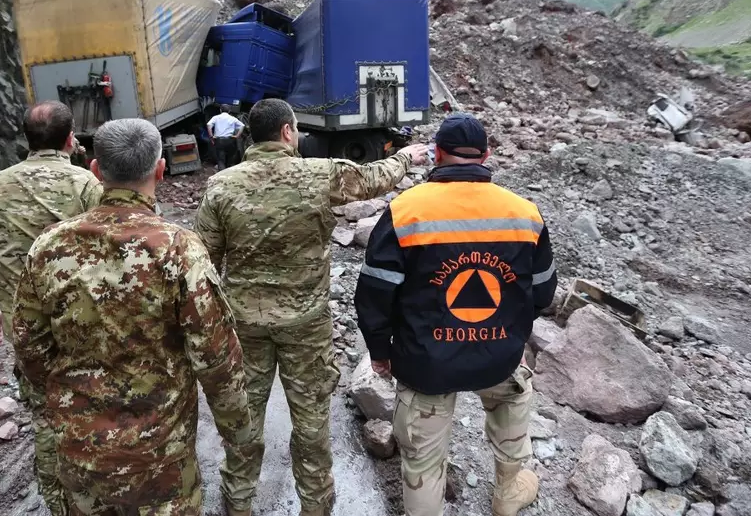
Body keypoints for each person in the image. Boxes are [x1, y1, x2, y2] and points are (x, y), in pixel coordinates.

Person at [195, 98, 429, 516]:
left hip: (245, 324)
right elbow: (374, 178)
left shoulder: (220, 186)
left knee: (244, 416)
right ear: (287, 131)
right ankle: (315, 504)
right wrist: (407, 157)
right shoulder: (321, 174)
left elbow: (205, 263)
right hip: (306, 325)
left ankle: (239, 501)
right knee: (311, 421)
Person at [11, 118, 252, 516]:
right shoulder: (180, 249)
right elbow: (215, 359)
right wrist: (237, 430)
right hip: (160, 460)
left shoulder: (47, 247)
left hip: (81, 452)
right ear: (161, 169)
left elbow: (29, 346)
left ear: (95, 171)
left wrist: (64, 405)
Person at [353, 112, 558, 516]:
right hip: (500, 357)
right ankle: (508, 492)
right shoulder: (525, 213)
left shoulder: (405, 211)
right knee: (514, 394)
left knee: (422, 460)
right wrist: (512, 332)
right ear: (486, 155)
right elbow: (543, 291)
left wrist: (380, 351)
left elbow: (375, 294)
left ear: (437, 155)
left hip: (425, 362)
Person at [0, 100, 102, 516]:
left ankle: (59, 503)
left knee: (44, 411)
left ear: (26, 138)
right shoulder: (85, 185)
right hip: (83, 319)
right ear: (71, 139)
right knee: (96, 402)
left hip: (24, 322)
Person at [206, 106, 245, 170]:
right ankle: (228, 171)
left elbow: (208, 124)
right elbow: (242, 125)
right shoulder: (233, 118)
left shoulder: (216, 117)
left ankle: (222, 172)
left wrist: (211, 136)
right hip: (230, 140)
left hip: (219, 141)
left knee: (221, 160)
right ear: (229, 111)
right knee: (230, 158)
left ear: (220, 110)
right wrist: (237, 136)